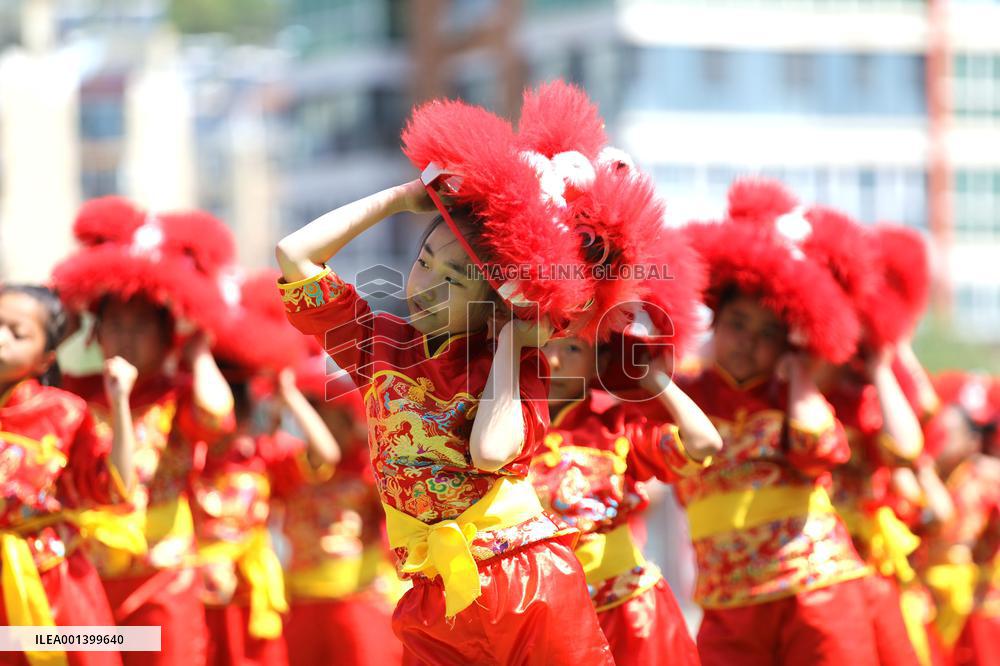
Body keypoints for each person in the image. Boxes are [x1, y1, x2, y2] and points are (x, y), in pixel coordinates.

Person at [275, 81, 619, 664]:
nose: (427, 285)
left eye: (455, 280)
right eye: (423, 262)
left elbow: (490, 450)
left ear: (493, 300)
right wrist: (404, 198)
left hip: (524, 584)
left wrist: (513, 329)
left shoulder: (514, 366)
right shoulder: (375, 345)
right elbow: (293, 256)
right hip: (434, 592)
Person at [679, 180, 877, 665]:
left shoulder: (793, 395)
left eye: (769, 333)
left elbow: (820, 449)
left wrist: (798, 375)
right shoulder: (683, 396)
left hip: (812, 592)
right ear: (715, 323)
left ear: (787, 343)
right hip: (725, 605)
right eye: (738, 324)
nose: (748, 342)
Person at [52, 198, 237, 666]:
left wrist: (198, 350)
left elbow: (217, 416)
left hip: (161, 577)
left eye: (140, 325)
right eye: (113, 324)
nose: (125, 336)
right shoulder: (74, 391)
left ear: (166, 334)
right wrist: (66, 326)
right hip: (87, 575)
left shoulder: (177, 395)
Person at [194, 268, 337, 666]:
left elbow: (326, 455)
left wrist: (289, 393)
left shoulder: (263, 453)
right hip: (195, 589)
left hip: (252, 592)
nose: (231, 420)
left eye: (241, 407)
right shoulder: (189, 454)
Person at [0, 284, 132, 666]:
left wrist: (120, 400)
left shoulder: (64, 413)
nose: (0, 338)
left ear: (46, 360)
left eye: (17, 332)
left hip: (53, 582)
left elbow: (114, 490)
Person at [278, 355, 403, 666]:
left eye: (323, 410)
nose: (317, 419)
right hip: (302, 605)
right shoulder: (292, 466)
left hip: (359, 604)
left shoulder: (370, 466)